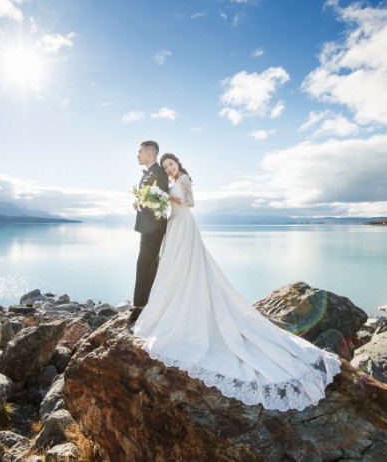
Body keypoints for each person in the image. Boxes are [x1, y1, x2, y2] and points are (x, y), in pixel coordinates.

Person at [132, 153, 341, 412]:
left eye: (170, 164)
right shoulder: (167, 182)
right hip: (174, 226)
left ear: (178, 164)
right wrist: (155, 202)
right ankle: (171, 303)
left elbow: (190, 202)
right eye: (165, 167)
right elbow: (168, 207)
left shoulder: (184, 178)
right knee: (172, 267)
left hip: (185, 225)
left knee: (187, 266)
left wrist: (168, 197)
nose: (169, 169)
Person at [129, 140, 170, 326]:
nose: (138, 155)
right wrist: (139, 203)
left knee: (144, 264)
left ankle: (139, 307)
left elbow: (160, 203)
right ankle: (150, 303)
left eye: (140, 152)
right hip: (148, 226)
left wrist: (143, 204)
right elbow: (148, 200)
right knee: (151, 264)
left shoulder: (159, 174)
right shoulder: (149, 174)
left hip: (153, 227)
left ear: (150, 152)